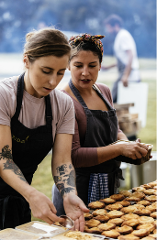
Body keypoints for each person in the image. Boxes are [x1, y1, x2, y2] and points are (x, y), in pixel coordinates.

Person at [0, 27, 88, 230]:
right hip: (23, 192)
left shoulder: (64, 104)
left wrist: (69, 194)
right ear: (26, 61)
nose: (53, 81)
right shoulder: (5, 95)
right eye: (46, 71)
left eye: (60, 73)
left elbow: (62, 162)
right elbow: (4, 158)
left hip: (18, 198)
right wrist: (31, 193)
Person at [52, 33, 149, 213]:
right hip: (78, 189)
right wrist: (119, 149)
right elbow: (75, 156)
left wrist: (128, 145)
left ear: (100, 66)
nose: (85, 72)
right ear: (68, 65)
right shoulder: (64, 99)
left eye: (92, 65)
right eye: (78, 65)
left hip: (109, 181)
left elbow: (116, 129)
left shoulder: (104, 90)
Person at [102, 14, 141, 104]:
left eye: (109, 28)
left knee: (114, 101)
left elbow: (131, 55)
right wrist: (108, 67)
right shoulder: (120, 36)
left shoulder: (123, 35)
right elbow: (122, 59)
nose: (108, 31)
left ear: (115, 25)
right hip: (125, 74)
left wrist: (126, 76)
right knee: (113, 100)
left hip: (130, 76)